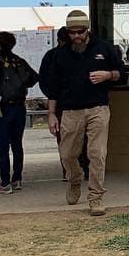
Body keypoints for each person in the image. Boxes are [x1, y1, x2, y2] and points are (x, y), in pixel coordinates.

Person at [46, 10, 126, 216]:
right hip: (70, 111)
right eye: (72, 33)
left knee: (97, 153)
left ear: (87, 30)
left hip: (98, 108)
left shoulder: (104, 48)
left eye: (80, 32)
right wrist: (51, 114)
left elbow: (122, 73)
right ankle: (75, 180)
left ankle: (96, 197)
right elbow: (53, 87)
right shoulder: (60, 55)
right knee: (67, 154)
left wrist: (108, 74)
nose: (76, 36)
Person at [0, 31, 39, 193]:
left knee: (3, 147)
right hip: (19, 107)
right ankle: (17, 179)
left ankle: (5, 183)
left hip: (1, 109)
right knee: (17, 145)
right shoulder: (19, 61)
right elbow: (34, 78)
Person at [40, 27, 90, 182]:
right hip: (65, 104)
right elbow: (45, 80)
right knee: (73, 138)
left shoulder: (78, 53)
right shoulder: (54, 56)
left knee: (68, 138)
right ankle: (75, 169)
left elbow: (43, 81)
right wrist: (54, 97)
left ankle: (73, 170)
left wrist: (52, 96)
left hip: (68, 103)